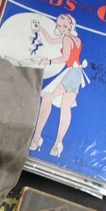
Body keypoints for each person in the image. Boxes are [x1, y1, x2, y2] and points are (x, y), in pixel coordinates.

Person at [29, 14, 88, 158]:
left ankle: (37, 137)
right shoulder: (77, 40)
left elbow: (65, 58)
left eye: (65, 26)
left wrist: (47, 61)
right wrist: (42, 29)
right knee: (65, 107)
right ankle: (57, 144)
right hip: (77, 74)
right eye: (59, 26)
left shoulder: (67, 39)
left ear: (71, 26)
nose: (62, 29)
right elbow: (51, 40)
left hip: (72, 73)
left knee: (47, 98)